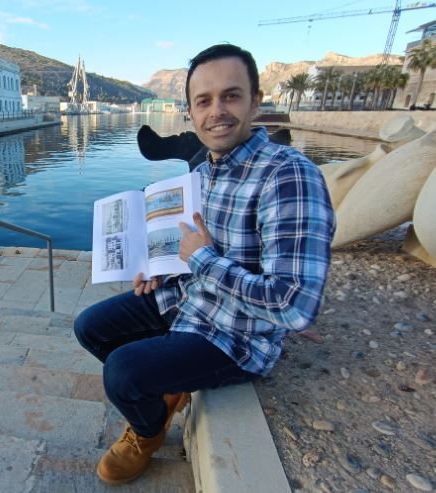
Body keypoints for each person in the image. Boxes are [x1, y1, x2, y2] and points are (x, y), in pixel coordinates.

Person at [74, 43, 336, 485]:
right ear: (190, 113)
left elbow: (294, 307)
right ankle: (166, 394)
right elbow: (190, 248)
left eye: (231, 96)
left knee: (123, 372)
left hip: (238, 335)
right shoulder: (204, 171)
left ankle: (148, 429)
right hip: (189, 298)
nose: (218, 111)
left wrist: (201, 259)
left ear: (255, 101)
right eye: (204, 100)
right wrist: (160, 266)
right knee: (90, 326)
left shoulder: (288, 175)